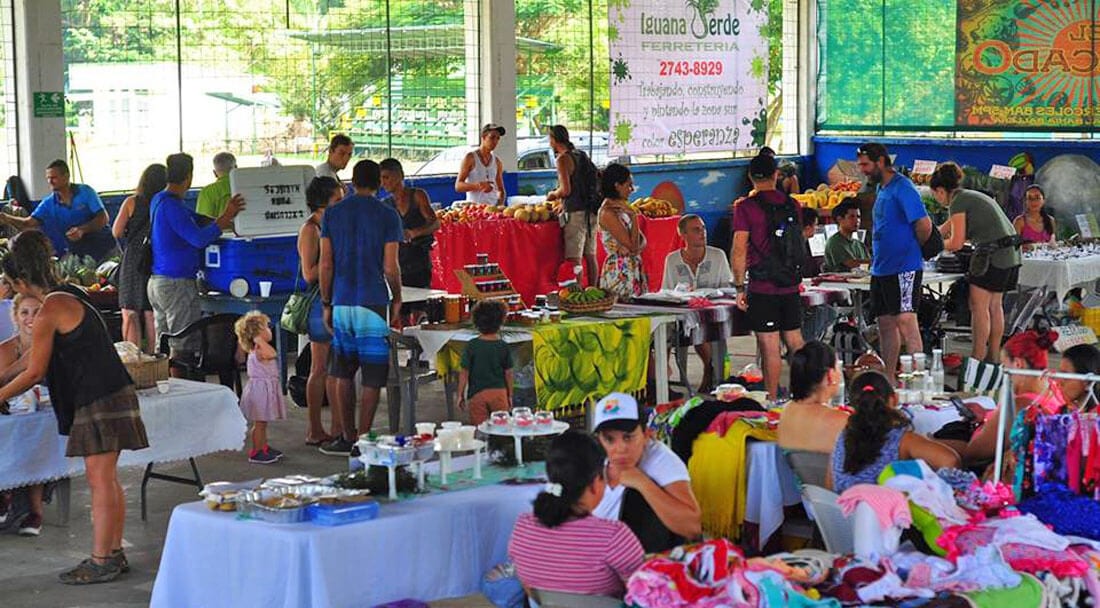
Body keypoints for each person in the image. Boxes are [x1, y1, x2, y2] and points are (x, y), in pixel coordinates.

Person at [0, 230, 148, 583]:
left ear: (20, 279)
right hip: (108, 394)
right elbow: (34, 358)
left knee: (100, 482)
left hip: (98, 398)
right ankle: (112, 553)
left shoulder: (51, 307)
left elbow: (35, 371)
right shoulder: (67, 295)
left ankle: (101, 560)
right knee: (106, 480)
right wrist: (3, 379)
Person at [318, 160, 403, 455]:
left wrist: (326, 302)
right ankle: (364, 440)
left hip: (341, 301)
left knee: (342, 371)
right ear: (379, 183)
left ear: (351, 182)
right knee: (372, 375)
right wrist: (397, 298)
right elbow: (390, 267)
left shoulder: (332, 214)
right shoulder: (388, 215)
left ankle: (346, 436)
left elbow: (325, 264)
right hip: (373, 302)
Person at [508, 431, 644, 599]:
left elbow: (531, 591)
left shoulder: (523, 528)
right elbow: (645, 594)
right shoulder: (614, 537)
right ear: (595, 482)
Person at [147, 153, 243, 369]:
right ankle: (181, 394)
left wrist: (219, 221)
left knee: (164, 346)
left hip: (158, 282)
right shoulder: (172, 206)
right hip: (176, 284)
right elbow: (198, 239)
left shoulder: (160, 200)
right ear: (189, 177)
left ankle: (166, 391)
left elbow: (196, 219)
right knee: (182, 349)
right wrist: (226, 217)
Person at [856, 143, 933, 380]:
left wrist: (910, 252)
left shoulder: (903, 188)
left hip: (903, 268)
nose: (862, 170)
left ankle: (919, 380)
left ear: (880, 162)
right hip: (882, 269)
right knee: (885, 324)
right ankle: (889, 378)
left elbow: (924, 225)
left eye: (865, 165)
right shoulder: (882, 188)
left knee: (906, 320)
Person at [732, 154, 806, 399]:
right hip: (791, 284)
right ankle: (806, 396)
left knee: (770, 345)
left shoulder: (745, 207)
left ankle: (772, 401)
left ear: (751, 177)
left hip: (763, 287)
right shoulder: (793, 204)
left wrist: (739, 287)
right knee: (796, 342)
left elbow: (739, 248)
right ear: (776, 175)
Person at [933, 162, 1021, 364]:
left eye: (936, 194)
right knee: (994, 306)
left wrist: (929, 249)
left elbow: (955, 243)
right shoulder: (970, 196)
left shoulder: (958, 201)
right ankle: (993, 356)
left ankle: (977, 357)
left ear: (940, 190)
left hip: (992, 256)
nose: (937, 199)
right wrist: (922, 237)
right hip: (1011, 255)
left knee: (979, 306)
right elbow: (943, 230)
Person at [591, 392, 701, 552]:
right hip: (595, 556)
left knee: (636, 498)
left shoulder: (662, 461)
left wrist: (643, 483)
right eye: (609, 439)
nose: (620, 448)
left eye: (628, 437)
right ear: (599, 439)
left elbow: (692, 527)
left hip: (642, 562)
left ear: (647, 434)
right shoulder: (591, 457)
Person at [829, 371, 959, 493]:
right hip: (887, 515)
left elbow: (830, 484)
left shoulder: (843, 438)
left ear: (851, 406)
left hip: (843, 514)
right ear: (894, 399)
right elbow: (950, 460)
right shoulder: (901, 439)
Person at [961, 330, 1062, 465]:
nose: (1005, 374)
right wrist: (987, 415)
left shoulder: (1020, 406)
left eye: (1005, 366)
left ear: (1018, 365)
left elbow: (973, 453)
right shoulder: (1054, 389)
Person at [661, 213, 732, 390]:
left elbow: (727, 289)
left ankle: (710, 369)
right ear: (683, 235)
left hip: (710, 314)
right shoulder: (672, 260)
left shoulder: (718, 256)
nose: (702, 233)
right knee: (662, 333)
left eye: (703, 229)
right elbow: (667, 291)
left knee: (701, 326)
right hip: (682, 315)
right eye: (696, 230)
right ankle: (660, 381)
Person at [299, 176, 344, 446]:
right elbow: (309, 273)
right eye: (337, 200)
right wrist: (334, 261)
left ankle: (337, 426)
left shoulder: (328, 226)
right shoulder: (310, 230)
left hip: (333, 299)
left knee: (334, 369)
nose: (342, 204)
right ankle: (315, 428)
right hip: (318, 303)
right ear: (322, 204)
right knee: (319, 368)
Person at [0, 160, 117, 262]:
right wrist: (6, 218)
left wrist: (82, 230)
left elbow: (103, 218)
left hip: (105, 247)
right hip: (80, 253)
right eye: (48, 178)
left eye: (54, 177)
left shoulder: (85, 192)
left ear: (66, 176)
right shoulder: (49, 203)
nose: (50, 181)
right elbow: (28, 223)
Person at [0, 293, 45, 536]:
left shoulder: (52, 346)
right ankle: (5, 493)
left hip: (43, 416)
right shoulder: (6, 348)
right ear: (15, 317)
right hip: (12, 413)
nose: (30, 318)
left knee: (37, 434)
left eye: (37, 312)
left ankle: (35, 511)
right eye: (24, 312)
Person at [111, 163, 166, 354]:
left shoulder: (131, 202)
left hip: (134, 258)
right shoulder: (162, 203)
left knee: (130, 312)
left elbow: (116, 231)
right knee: (151, 314)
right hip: (156, 257)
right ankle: (153, 359)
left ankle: (133, 361)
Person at [546, 125, 599, 286]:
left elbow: (566, 189)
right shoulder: (581, 154)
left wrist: (553, 194)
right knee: (590, 255)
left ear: (554, 140)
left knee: (574, 258)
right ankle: (593, 290)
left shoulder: (562, 159)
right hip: (592, 209)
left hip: (575, 212)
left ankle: (577, 293)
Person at [778, 341, 849, 455]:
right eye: (838, 368)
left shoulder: (787, 411)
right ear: (831, 375)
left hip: (795, 472)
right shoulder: (841, 420)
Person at [379, 158, 440, 288]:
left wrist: (414, 233)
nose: (383, 183)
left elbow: (435, 223)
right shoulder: (385, 204)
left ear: (399, 175)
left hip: (419, 261)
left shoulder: (417, 195)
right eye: (381, 179)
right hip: (397, 263)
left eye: (386, 177)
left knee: (419, 303)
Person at [234, 312, 285, 464]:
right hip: (260, 391)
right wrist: (260, 341)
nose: (269, 330)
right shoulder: (259, 350)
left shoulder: (258, 348)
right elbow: (272, 353)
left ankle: (263, 447)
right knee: (260, 423)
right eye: (266, 327)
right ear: (257, 333)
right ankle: (256, 450)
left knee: (263, 422)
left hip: (264, 388)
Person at [457, 300, 513, 425]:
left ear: (475, 322)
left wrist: (460, 394)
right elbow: (508, 373)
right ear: (501, 321)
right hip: (499, 393)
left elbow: (464, 372)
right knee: (501, 430)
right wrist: (509, 395)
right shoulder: (503, 346)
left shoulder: (472, 345)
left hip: (477, 394)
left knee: (480, 430)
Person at [598, 163, 648, 298]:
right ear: (617, 185)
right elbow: (633, 245)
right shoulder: (608, 212)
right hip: (620, 272)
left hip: (632, 267)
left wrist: (636, 247)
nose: (631, 189)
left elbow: (641, 241)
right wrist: (634, 217)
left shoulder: (622, 207)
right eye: (628, 185)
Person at [455, 123, 506, 205]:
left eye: (497, 138)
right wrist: (478, 186)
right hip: (474, 208)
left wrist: (500, 205)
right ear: (483, 137)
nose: (495, 141)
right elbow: (458, 186)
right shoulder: (470, 158)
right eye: (492, 137)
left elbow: (501, 190)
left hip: (492, 209)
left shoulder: (497, 162)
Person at [823, 199, 870, 272]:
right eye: (851, 217)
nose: (857, 220)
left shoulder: (860, 244)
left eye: (858, 217)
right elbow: (851, 263)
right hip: (840, 283)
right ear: (839, 219)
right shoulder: (834, 242)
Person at [1057, 343, 1100, 413]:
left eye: (1065, 377)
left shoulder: (1096, 417)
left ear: (1087, 381)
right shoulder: (1062, 413)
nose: (1059, 382)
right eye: (1059, 375)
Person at [195, 152, 237, 219]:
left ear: (215, 173)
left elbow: (202, 221)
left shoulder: (207, 192)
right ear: (236, 168)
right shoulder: (245, 187)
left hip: (220, 229)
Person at [801, 207, 821, 278]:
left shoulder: (805, 243)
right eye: (816, 225)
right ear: (808, 227)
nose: (817, 228)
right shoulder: (797, 247)